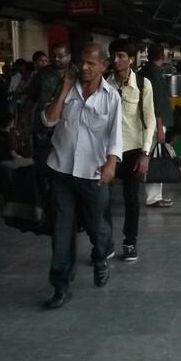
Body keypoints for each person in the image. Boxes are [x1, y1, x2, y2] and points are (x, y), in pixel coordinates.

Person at [40, 42, 122, 308]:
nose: (85, 68)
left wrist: (111, 164)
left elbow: (115, 135)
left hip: (93, 173)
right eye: (81, 63)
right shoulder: (67, 90)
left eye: (91, 63)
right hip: (61, 170)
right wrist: (64, 88)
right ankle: (61, 286)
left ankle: (100, 257)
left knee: (98, 227)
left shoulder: (111, 97)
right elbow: (49, 120)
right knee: (62, 231)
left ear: (103, 66)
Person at [104, 39, 155, 262]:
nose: (116, 60)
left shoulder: (143, 84)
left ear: (131, 59)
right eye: (113, 56)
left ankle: (130, 241)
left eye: (121, 56)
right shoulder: (104, 83)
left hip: (133, 148)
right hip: (107, 150)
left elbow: (150, 119)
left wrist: (145, 153)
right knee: (102, 198)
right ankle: (105, 242)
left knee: (131, 198)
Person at [137, 44, 174, 208]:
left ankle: (150, 194)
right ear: (162, 56)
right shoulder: (155, 74)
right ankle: (154, 197)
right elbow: (155, 102)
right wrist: (159, 127)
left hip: (144, 121)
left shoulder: (142, 71)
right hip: (155, 122)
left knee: (146, 156)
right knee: (155, 158)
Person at [25, 43, 69, 166]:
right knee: (42, 162)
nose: (56, 58)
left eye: (61, 56)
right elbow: (31, 98)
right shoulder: (42, 74)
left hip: (66, 126)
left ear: (69, 56)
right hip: (43, 127)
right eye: (53, 56)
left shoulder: (76, 73)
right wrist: (25, 122)